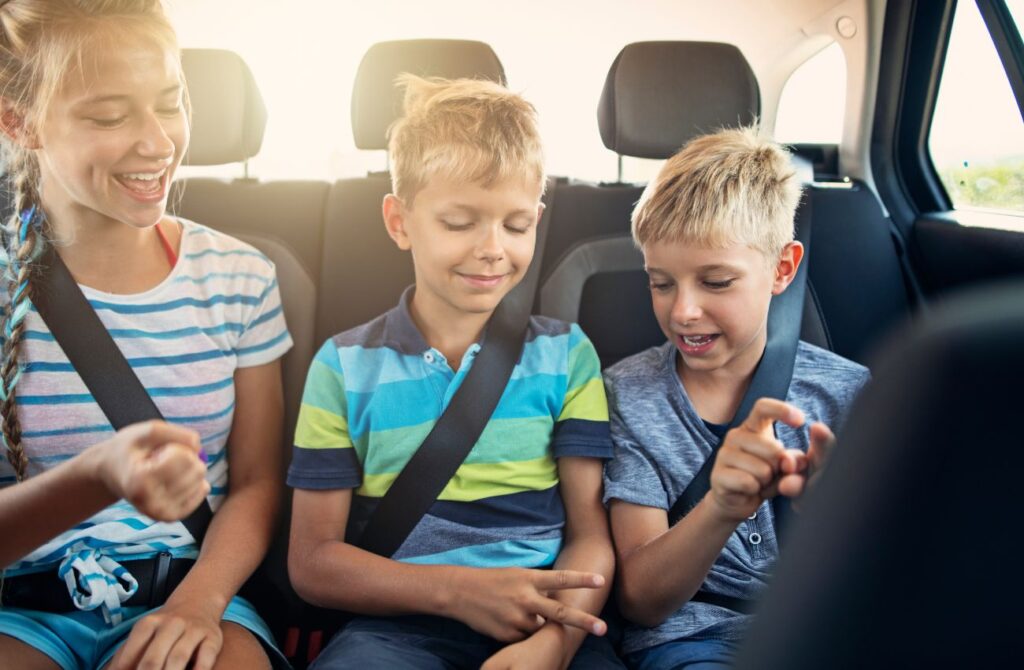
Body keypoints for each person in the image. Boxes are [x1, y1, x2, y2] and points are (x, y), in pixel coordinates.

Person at [287, 75, 621, 669]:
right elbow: (312, 562)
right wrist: (459, 593)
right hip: (396, 630)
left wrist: (557, 643)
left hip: (543, 624)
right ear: (400, 221)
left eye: (516, 226)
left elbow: (591, 536)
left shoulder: (567, 356)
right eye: (460, 222)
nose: (493, 248)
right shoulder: (343, 367)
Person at [0, 2, 293, 669]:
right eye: (109, 116)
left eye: (170, 103)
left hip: (194, 587)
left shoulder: (240, 278)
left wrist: (200, 601)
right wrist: (100, 474)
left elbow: (254, 482)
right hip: (19, 606)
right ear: (19, 121)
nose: (157, 141)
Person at [602, 126, 870, 669]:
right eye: (661, 283)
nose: (683, 312)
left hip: (833, 627)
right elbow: (641, 600)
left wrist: (840, 511)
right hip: (693, 639)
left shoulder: (849, 394)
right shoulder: (627, 397)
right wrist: (722, 506)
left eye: (717, 282)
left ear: (782, 269)